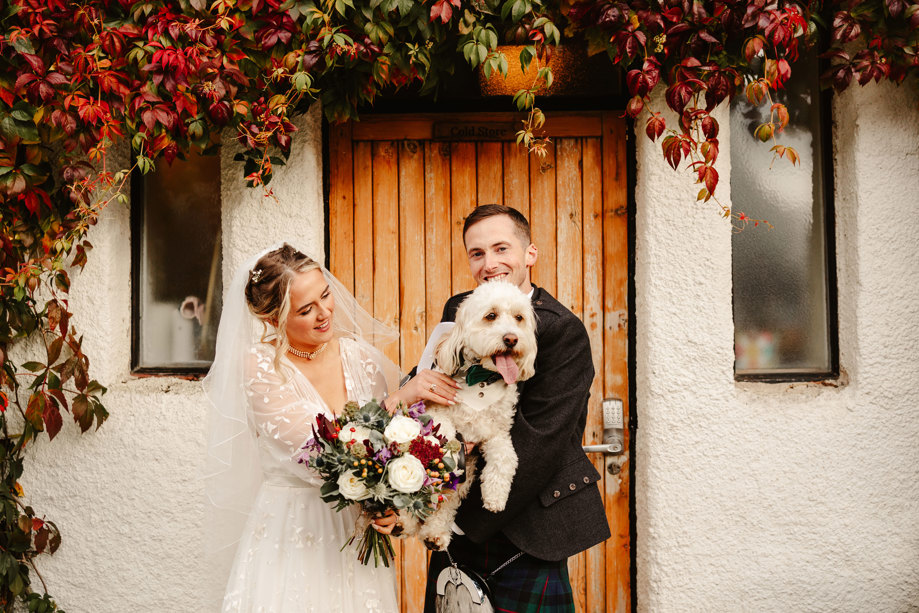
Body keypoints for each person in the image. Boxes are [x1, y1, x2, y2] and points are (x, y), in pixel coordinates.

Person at [401, 205, 611, 613]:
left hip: (528, 528)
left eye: (501, 248)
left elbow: (541, 443)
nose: (489, 263)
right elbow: (436, 382)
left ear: (529, 253)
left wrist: (459, 521)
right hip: (458, 515)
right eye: (477, 253)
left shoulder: (561, 330)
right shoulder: (459, 309)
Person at [203, 243, 406, 613]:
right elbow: (324, 455)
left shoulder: (358, 356)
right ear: (271, 320)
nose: (325, 313)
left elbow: (392, 444)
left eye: (325, 295)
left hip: (354, 534)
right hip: (294, 531)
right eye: (305, 309)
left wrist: (392, 504)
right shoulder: (261, 369)